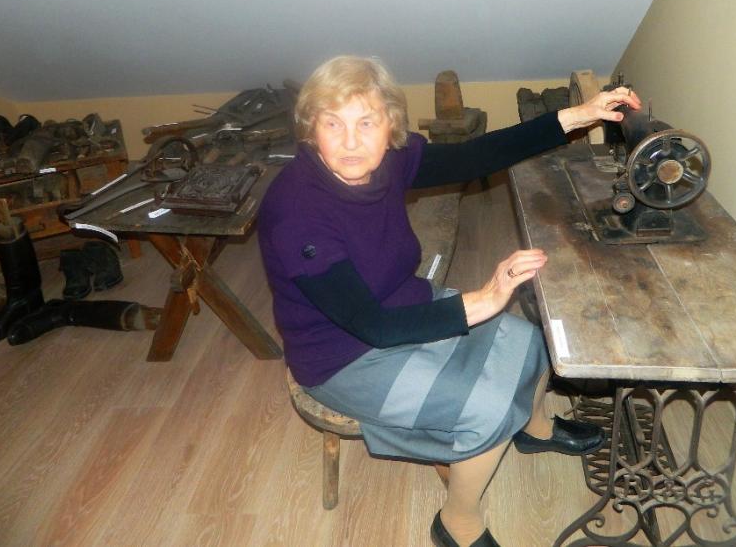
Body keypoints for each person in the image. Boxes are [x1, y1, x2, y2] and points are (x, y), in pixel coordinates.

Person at [258, 56, 640, 547]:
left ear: (390, 126)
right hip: (342, 356)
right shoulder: (297, 212)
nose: (351, 141)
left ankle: (535, 428)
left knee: (537, 341)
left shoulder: (389, 160)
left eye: (366, 123)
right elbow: (372, 327)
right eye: (333, 124)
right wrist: (485, 298)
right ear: (311, 130)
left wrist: (578, 116)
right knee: (488, 408)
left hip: (401, 302)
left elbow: (474, 156)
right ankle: (457, 523)